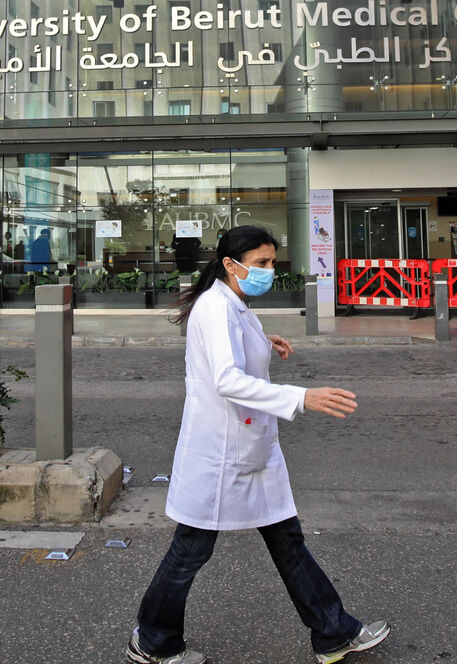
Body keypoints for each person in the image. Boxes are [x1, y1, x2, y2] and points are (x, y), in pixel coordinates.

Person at [126, 225, 388, 664]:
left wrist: (261, 340)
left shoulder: (235, 304)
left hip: (249, 448)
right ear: (231, 265)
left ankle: (334, 632)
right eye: (261, 264)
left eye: (272, 262)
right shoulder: (215, 307)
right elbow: (226, 379)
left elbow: (229, 349)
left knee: (288, 540)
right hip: (222, 454)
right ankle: (152, 640)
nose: (269, 271)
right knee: (191, 550)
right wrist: (301, 397)